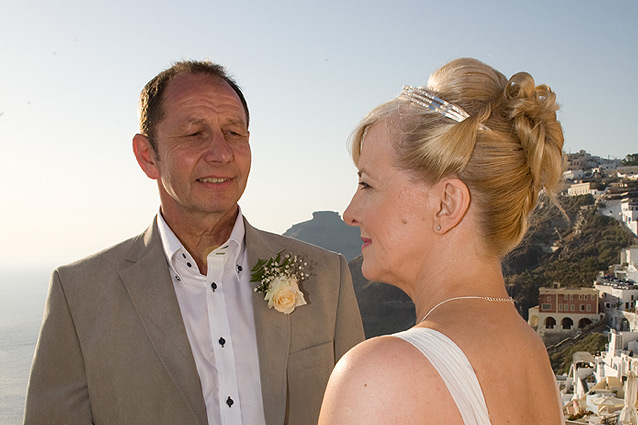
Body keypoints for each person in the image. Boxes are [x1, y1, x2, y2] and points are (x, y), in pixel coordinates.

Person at [24, 60, 364, 425]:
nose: (221, 153)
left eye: (235, 133)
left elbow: (361, 412)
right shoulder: (79, 296)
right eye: (194, 134)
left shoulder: (326, 276)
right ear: (147, 156)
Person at [318, 58, 565, 425]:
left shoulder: (380, 378)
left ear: (446, 204)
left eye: (367, 184)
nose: (349, 213)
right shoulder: (530, 351)